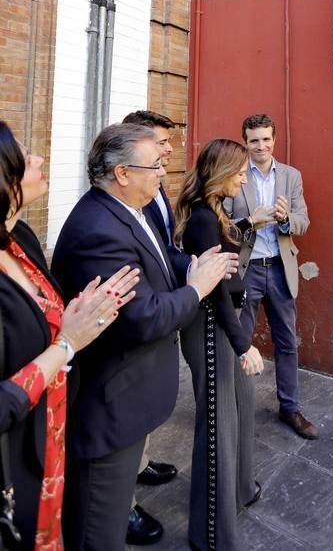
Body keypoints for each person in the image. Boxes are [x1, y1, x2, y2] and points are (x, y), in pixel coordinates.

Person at [51, 123, 237, 551]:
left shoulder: (135, 207)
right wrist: (197, 289)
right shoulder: (98, 230)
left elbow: (161, 256)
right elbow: (143, 318)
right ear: (122, 173)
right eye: (154, 165)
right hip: (109, 409)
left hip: (131, 401)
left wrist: (192, 266)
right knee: (98, 532)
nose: (163, 172)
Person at [0, 120, 139, 550]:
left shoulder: (19, 237)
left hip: (51, 433)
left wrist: (79, 311)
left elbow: (40, 315)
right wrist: (68, 342)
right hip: (12, 458)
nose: (39, 158)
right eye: (26, 157)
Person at [174, 139, 266, 551]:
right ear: (221, 173)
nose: (244, 179)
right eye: (240, 173)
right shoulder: (202, 220)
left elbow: (228, 251)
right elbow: (214, 293)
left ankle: (240, 489)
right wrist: (244, 344)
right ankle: (210, 533)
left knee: (242, 404)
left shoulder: (216, 211)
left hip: (225, 323)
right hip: (211, 326)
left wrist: (248, 224)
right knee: (217, 426)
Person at [228, 114, 316, 439]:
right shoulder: (235, 175)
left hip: (280, 269)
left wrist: (284, 219)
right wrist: (251, 220)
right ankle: (234, 409)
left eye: (266, 139)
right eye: (254, 140)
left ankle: (290, 408)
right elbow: (223, 224)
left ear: (274, 140)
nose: (261, 146)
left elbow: (303, 221)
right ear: (245, 142)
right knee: (239, 342)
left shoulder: (291, 176)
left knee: (287, 342)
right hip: (247, 270)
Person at [122, 110, 178, 546]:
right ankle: (123, 505)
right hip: (139, 325)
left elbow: (164, 247)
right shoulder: (121, 204)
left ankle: (140, 465)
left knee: (141, 415)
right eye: (160, 144)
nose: (169, 151)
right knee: (126, 416)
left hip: (160, 310)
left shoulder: (157, 186)